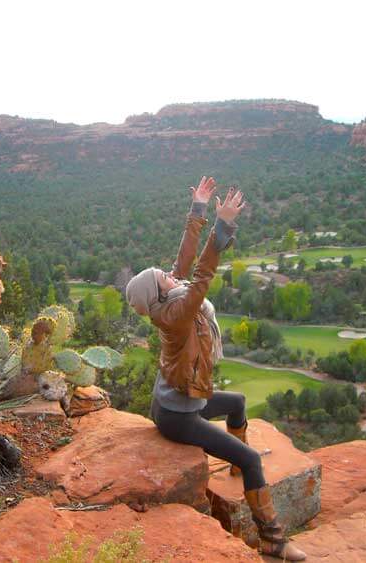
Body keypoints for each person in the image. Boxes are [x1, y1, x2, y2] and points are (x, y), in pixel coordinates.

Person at [125, 176, 306, 561]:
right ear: (160, 293)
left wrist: (199, 210)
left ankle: (240, 472)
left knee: (238, 403)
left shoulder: (166, 300)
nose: (172, 274)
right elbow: (203, 273)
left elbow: (185, 261)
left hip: (177, 401)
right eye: (165, 277)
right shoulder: (177, 312)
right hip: (178, 416)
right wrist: (223, 227)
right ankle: (272, 539)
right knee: (253, 457)